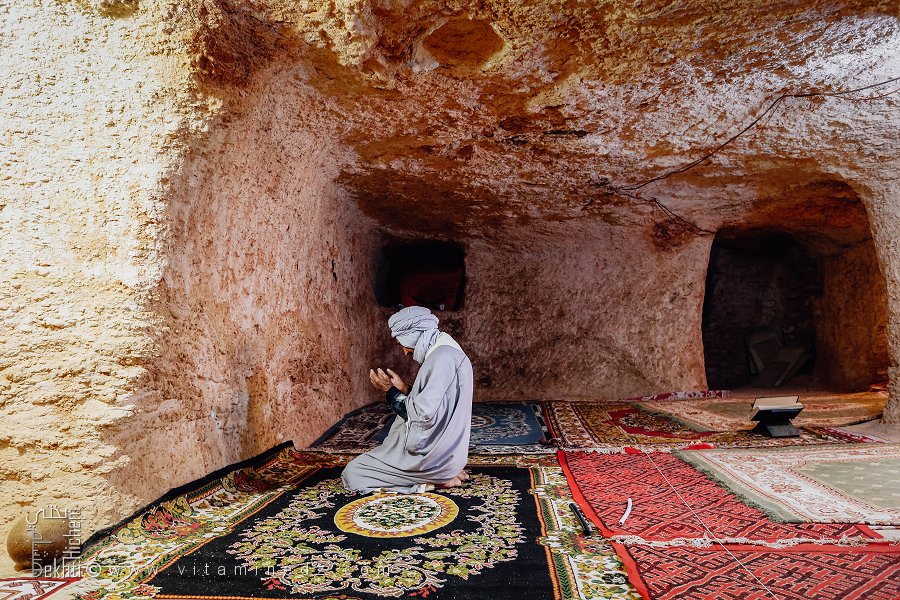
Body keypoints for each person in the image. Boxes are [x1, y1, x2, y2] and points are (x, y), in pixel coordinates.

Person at [341, 306, 474, 493]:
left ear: (415, 334)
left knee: (354, 472)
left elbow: (422, 416)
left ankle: (435, 480)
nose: (405, 351)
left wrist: (389, 391)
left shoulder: (441, 359)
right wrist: (404, 389)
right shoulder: (447, 352)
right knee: (383, 454)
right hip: (448, 456)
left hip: (433, 459)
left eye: (403, 342)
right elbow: (438, 404)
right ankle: (440, 473)